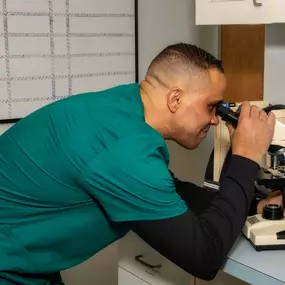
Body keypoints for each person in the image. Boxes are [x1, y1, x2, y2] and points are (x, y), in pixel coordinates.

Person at [0, 43, 280, 285]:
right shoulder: (123, 148)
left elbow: (171, 190)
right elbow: (205, 256)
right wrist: (245, 157)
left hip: (27, 264)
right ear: (175, 98)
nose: (215, 119)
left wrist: (255, 206)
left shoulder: (122, 108)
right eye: (211, 106)